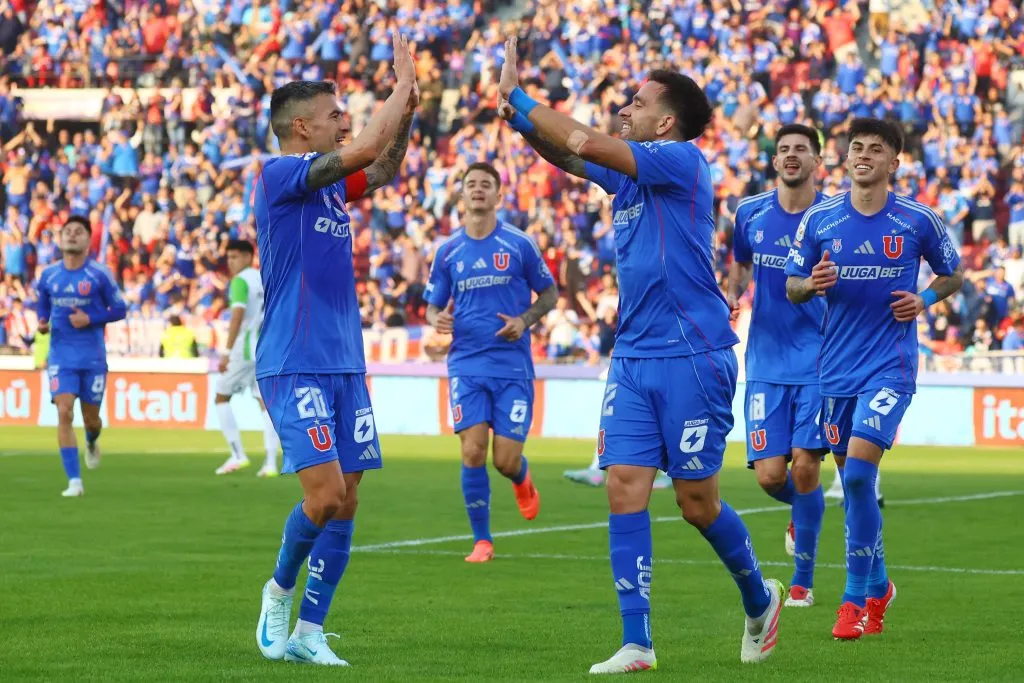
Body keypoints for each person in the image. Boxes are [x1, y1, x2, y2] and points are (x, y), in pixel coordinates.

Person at [498, 38, 783, 673]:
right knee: (623, 487)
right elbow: (569, 155)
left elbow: (585, 142)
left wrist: (521, 96)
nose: (625, 107)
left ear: (666, 121)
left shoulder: (681, 160)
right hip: (632, 355)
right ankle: (638, 642)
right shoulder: (631, 177)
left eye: (638, 101)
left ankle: (760, 599)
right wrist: (519, 121)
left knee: (696, 503)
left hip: (692, 353)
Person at [252, 34, 418, 667]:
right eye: (333, 114)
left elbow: (381, 167)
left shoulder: (326, 187)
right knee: (322, 497)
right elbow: (368, 147)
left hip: (346, 362)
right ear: (301, 127)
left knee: (347, 498)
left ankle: (310, 632)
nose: (344, 121)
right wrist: (400, 87)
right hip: (293, 359)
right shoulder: (280, 176)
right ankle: (278, 590)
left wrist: (407, 110)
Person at [785, 117, 963, 640]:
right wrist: (811, 284)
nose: (863, 155)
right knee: (855, 486)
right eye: (856, 148)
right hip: (835, 370)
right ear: (846, 158)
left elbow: (952, 273)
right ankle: (880, 586)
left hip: (890, 365)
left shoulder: (917, 220)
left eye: (875, 149)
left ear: (894, 162)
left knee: (860, 478)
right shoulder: (821, 219)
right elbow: (791, 285)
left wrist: (924, 298)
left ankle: (852, 601)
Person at [424, 161, 557, 563]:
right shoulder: (448, 251)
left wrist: (524, 321)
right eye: (471, 184)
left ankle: (521, 477)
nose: (478, 189)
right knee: (472, 451)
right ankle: (482, 541)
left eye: (486, 184)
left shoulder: (519, 244)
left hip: (512, 367)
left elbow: (549, 294)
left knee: (505, 460)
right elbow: (432, 307)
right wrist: (437, 320)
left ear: (499, 195)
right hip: (466, 364)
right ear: (461, 195)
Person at [728, 124, 828, 607]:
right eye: (784, 149)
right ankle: (805, 510)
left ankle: (803, 581)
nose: (791, 155)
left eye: (801, 149)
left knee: (806, 466)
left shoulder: (833, 216)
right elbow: (741, 263)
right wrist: (732, 294)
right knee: (771, 476)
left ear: (816, 161)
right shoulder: (749, 212)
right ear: (774, 161)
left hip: (818, 360)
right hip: (765, 360)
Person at [36, 215, 127, 497]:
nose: (72, 235)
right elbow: (42, 304)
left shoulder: (99, 274)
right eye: (68, 231)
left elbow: (120, 309)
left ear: (88, 241)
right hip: (61, 357)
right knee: (64, 411)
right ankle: (74, 482)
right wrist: (42, 321)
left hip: (92, 358)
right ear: (60, 238)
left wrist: (90, 318)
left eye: (79, 231)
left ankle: (91, 440)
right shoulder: (49, 275)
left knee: (91, 420)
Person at [213, 239, 280, 478]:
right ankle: (270, 463)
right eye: (228, 257)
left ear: (248, 257)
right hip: (265, 350)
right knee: (264, 404)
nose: (230, 262)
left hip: (243, 350)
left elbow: (237, 316)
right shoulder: (264, 278)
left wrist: (226, 352)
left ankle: (238, 454)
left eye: (235, 257)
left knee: (221, 397)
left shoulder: (240, 281)